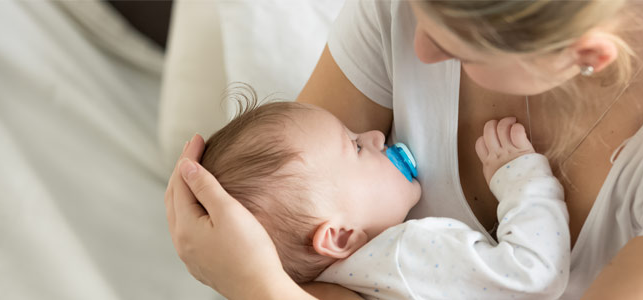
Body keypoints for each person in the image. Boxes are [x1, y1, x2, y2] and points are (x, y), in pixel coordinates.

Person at [164, 0, 643, 299]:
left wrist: (254, 286)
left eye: (455, 41)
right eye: (357, 146)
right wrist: (525, 181)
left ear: (587, 53)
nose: (418, 46)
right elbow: (289, 237)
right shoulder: (396, 10)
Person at [199, 93, 569, 298]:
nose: (377, 136)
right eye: (356, 146)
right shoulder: (405, 256)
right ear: (339, 235)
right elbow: (534, 277)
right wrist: (523, 181)